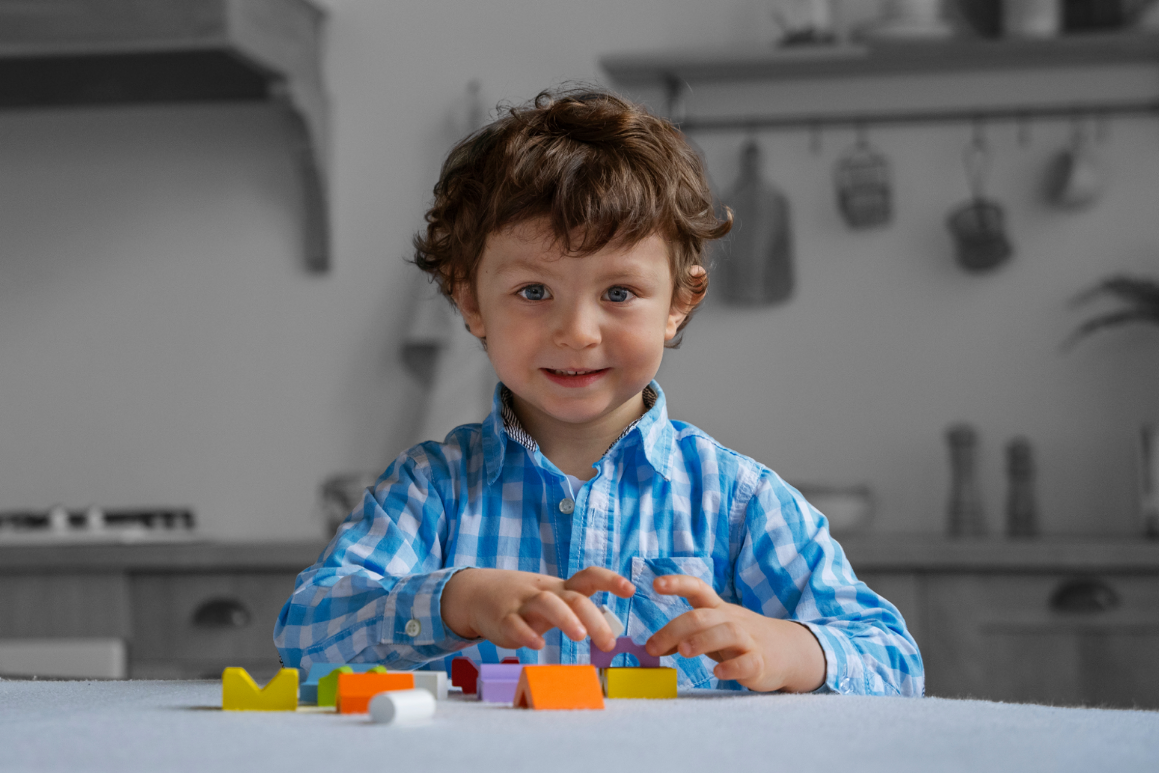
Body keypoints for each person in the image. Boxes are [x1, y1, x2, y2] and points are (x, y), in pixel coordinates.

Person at [274, 88, 923, 696]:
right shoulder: (428, 492)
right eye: (534, 292)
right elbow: (304, 635)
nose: (577, 332)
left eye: (618, 293)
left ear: (679, 302)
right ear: (472, 302)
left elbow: (893, 660)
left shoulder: (739, 503)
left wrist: (791, 649)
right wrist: (458, 599)